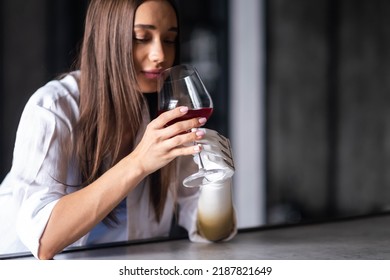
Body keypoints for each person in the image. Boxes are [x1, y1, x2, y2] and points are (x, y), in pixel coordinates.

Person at [0, 0, 236, 260]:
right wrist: (138, 162)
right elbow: (44, 241)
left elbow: (211, 232)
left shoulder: (163, 113)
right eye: (141, 38)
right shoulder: (54, 107)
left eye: (169, 40)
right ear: (107, 38)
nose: (160, 54)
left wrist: (217, 182)